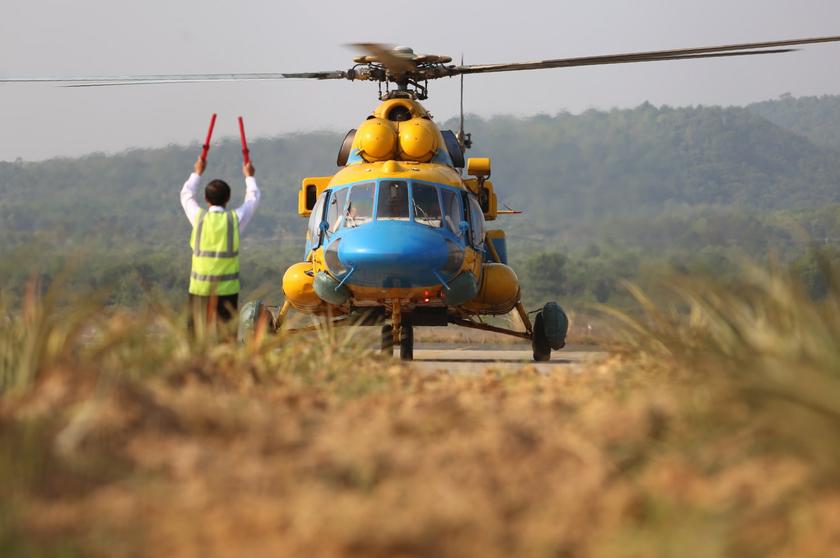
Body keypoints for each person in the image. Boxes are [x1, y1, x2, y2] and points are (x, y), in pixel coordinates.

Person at [180, 157, 261, 327]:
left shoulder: (198, 218)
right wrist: (249, 176)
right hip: (227, 293)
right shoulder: (234, 220)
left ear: (206, 198)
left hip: (199, 290)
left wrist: (197, 172)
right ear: (228, 197)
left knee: (196, 340)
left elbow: (186, 194)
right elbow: (252, 199)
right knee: (225, 340)